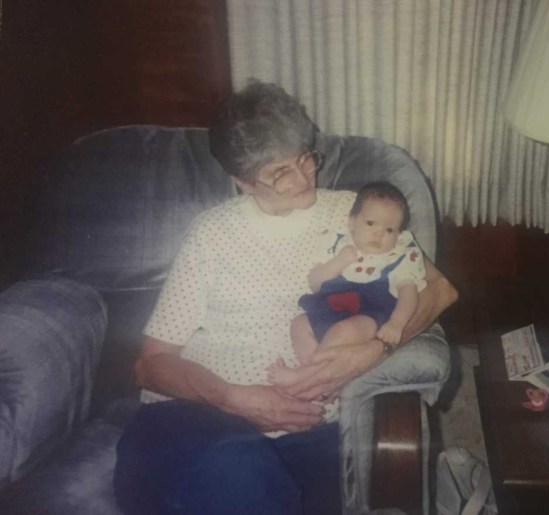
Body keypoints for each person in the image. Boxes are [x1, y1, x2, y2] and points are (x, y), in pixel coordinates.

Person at [113, 79, 457, 515]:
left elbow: (440, 290)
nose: (303, 179)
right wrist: (230, 397)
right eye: (280, 173)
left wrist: (373, 350)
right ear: (242, 182)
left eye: (305, 159)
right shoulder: (212, 233)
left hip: (309, 431)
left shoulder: (357, 213)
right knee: (241, 470)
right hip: (196, 417)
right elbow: (150, 364)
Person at [267, 181, 427, 387]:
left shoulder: (398, 256)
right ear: (352, 222)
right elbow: (315, 284)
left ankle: (303, 375)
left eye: (389, 230)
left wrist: (397, 323)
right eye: (371, 223)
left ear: (398, 234)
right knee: (299, 324)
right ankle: (317, 373)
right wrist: (339, 262)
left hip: (366, 317)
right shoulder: (336, 244)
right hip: (328, 309)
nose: (379, 233)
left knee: (344, 331)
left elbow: (409, 293)